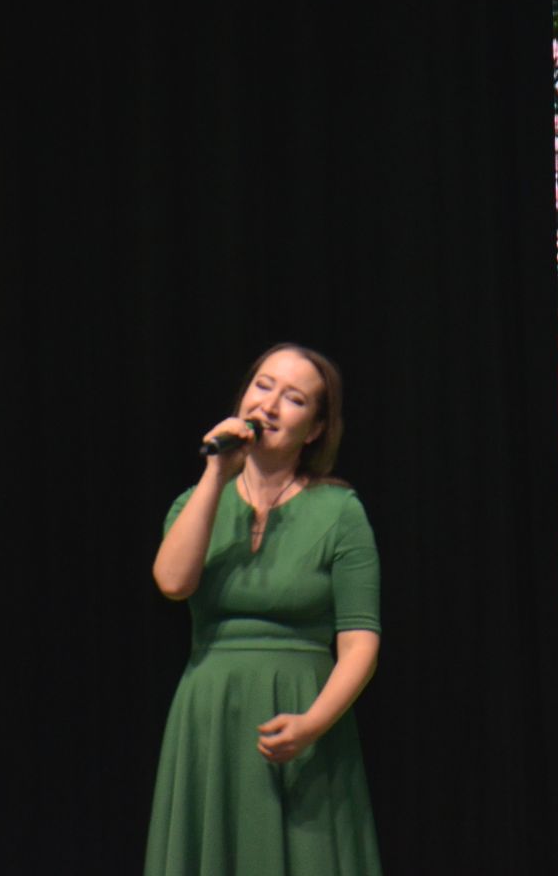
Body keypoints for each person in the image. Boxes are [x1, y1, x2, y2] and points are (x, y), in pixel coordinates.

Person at [147, 344, 382, 875]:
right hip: (211, 717)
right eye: (263, 386)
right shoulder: (197, 502)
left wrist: (313, 724)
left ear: (317, 428)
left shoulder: (340, 512)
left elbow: (360, 641)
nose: (270, 405)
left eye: (294, 398)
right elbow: (172, 582)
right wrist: (216, 474)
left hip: (304, 718)